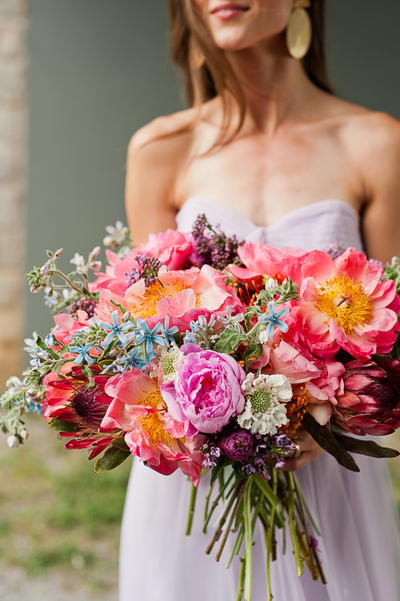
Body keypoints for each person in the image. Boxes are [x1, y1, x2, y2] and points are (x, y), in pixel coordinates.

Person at [120, 1, 400, 599]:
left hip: (327, 474)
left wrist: (325, 416)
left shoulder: (376, 143)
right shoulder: (161, 148)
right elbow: (144, 323)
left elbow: (393, 330)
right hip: (196, 486)